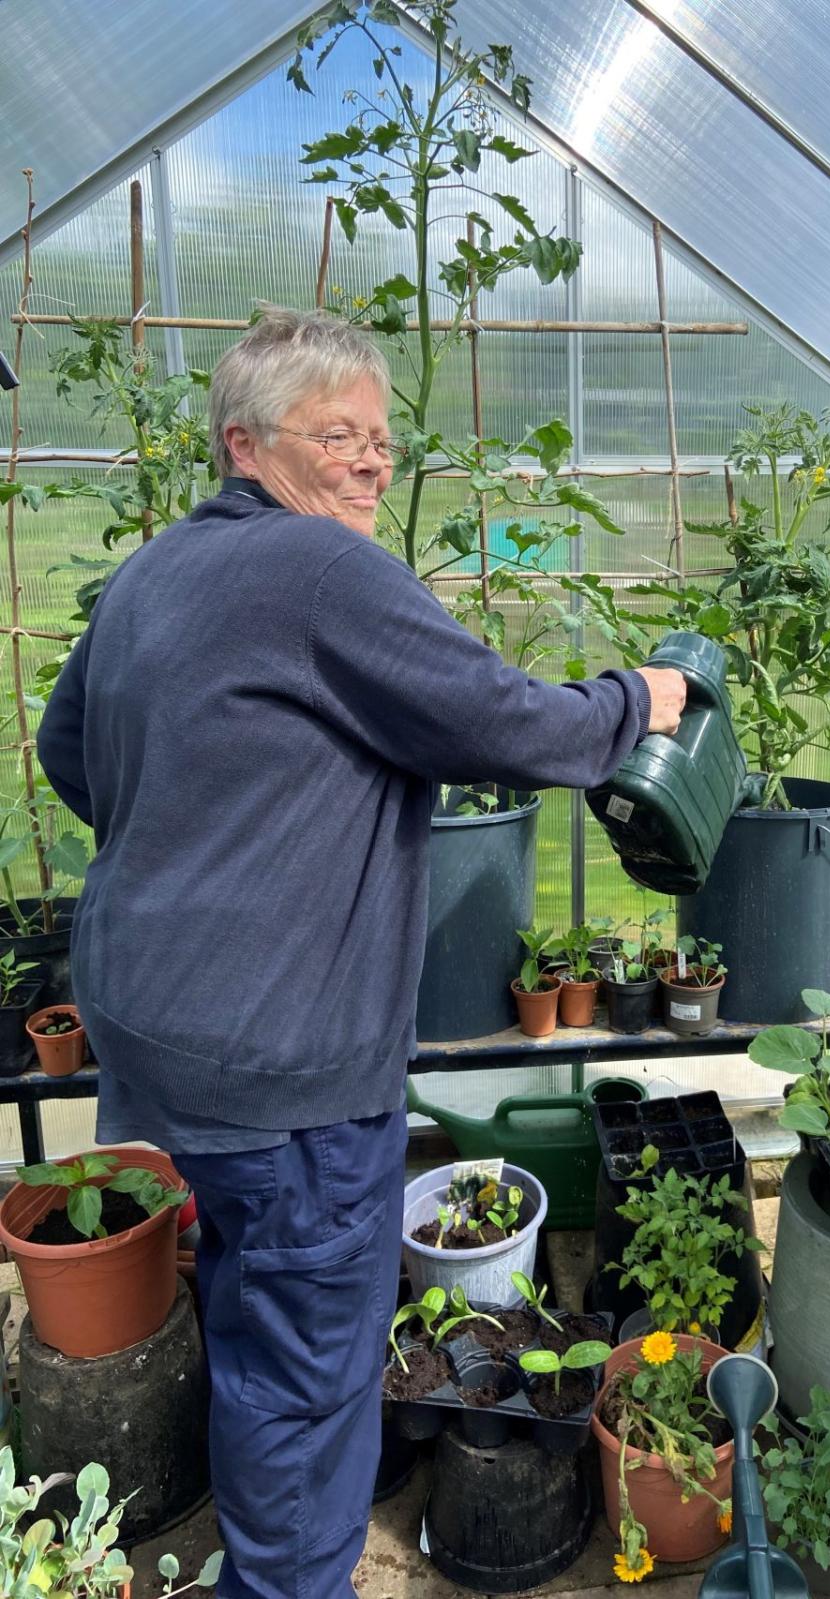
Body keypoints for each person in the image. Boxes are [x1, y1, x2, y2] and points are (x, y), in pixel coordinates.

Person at [36, 306, 686, 1599]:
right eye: (339, 435)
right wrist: (639, 701)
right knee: (310, 1381)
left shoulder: (156, 572)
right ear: (245, 445)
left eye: (383, 439)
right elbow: (507, 723)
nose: (374, 463)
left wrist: (197, 845)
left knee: (247, 1300)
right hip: (284, 1068)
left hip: (161, 1037)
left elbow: (68, 749)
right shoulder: (324, 571)